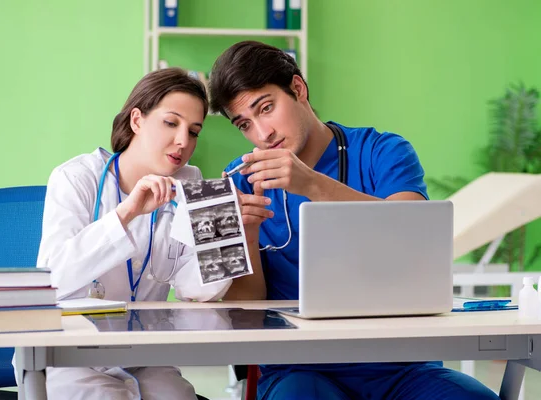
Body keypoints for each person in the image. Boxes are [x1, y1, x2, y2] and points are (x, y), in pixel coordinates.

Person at [209, 41, 500, 400]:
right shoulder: (237, 185)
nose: (262, 134)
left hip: (402, 366)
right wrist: (248, 235)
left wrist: (313, 185)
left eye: (266, 108)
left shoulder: (384, 151)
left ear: (298, 89)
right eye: (244, 124)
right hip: (298, 370)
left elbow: (416, 236)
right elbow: (240, 315)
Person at [34, 68, 231, 400]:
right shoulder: (76, 178)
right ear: (137, 120)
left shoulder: (191, 183)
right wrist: (125, 214)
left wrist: (226, 229)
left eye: (194, 131)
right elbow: (53, 281)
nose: (184, 141)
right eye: (171, 123)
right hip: (71, 358)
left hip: (146, 358)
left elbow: (197, 291)